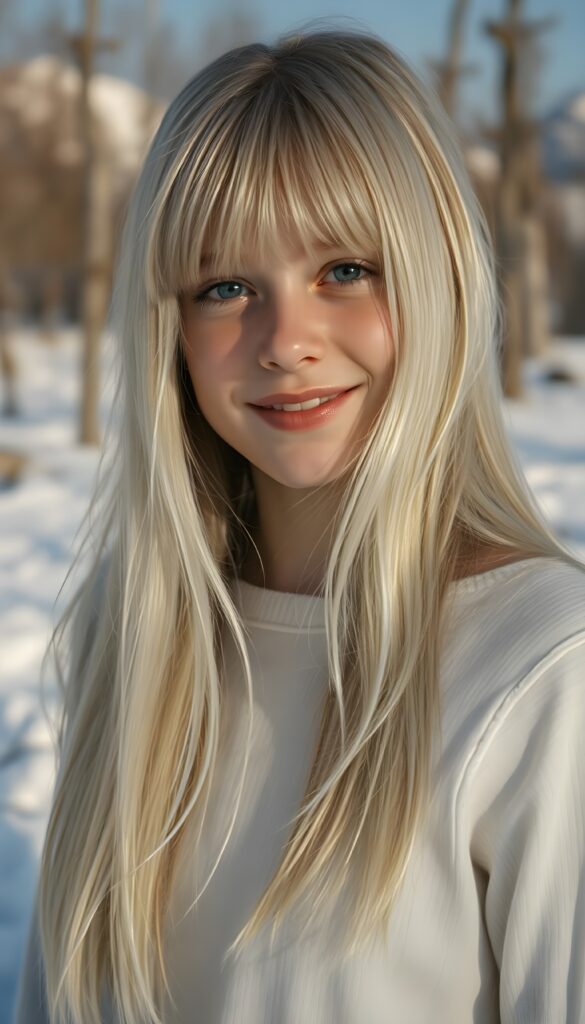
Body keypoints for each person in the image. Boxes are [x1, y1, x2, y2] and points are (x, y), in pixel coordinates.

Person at [14, 28, 585, 1024]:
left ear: (438, 270)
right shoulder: (140, 635)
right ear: (171, 329)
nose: (286, 343)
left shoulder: (546, 669)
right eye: (225, 288)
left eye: (346, 269)